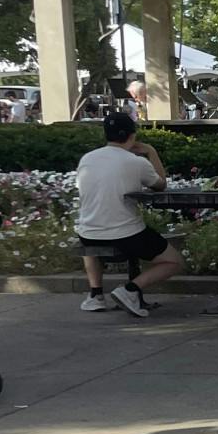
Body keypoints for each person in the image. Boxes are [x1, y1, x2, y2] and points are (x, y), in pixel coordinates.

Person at [74, 110, 181, 317]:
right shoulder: (136, 162)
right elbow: (160, 185)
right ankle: (130, 290)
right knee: (174, 261)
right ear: (133, 136)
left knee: (92, 236)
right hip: (126, 233)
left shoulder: (87, 159)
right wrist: (151, 152)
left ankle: (96, 295)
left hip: (88, 232)